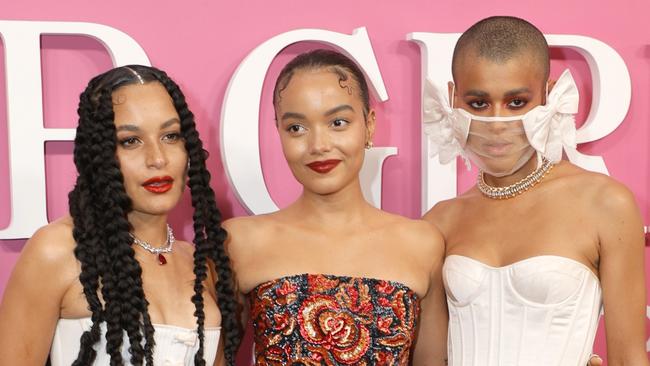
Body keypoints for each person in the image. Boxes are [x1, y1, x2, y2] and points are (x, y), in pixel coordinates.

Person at [422, 16, 648, 365]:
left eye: (516, 102)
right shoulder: (439, 221)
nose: (497, 123)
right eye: (479, 103)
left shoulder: (604, 204)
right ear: (453, 99)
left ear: (548, 96)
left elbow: (630, 358)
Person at [0, 65, 240, 365]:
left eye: (171, 136)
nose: (157, 159)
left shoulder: (202, 266)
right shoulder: (57, 250)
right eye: (130, 141)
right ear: (98, 155)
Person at [224, 49, 448, 365]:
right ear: (279, 132)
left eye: (338, 122)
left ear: (369, 125)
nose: (319, 145)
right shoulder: (240, 242)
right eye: (296, 128)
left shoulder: (421, 244)